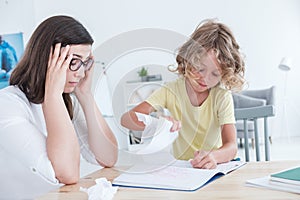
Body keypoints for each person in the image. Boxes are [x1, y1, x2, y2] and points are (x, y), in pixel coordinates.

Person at [0, 15, 118, 198]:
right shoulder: (8, 104)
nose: (80, 73)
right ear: (47, 59)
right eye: (74, 61)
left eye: (85, 63)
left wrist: (86, 96)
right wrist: (52, 95)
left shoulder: (66, 100)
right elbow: (67, 173)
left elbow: (108, 157)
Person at [121, 19, 245, 169]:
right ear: (189, 60)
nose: (205, 79)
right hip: (182, 168)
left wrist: (213, 156)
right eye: (200, 69)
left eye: (215, 74)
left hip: (214, 166)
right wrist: (157, 123)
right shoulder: (171, 90)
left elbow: (231, 146)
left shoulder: (221, 97)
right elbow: (126, 120)